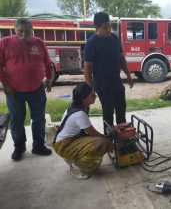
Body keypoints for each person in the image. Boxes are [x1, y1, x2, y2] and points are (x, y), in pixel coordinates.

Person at [0, 18, 53, 161]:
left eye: (27, 32)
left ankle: (38, 145)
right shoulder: (5, 42)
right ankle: (19, 147)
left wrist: (49, 79)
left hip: (37, 89)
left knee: (38, 119)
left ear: (32, 30)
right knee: (17, 121)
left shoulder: (39, 43)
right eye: (20, 32)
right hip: (14, 91)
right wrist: (5, 84)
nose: (24, 35)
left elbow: (48, 63)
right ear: (14, 30)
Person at [83, 12, 134, 133]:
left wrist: (128, 75)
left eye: (109, 26)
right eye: (105, 28)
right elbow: (87, 67)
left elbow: (121, 58)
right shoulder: (92, 43)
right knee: (108, 111)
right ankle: (109, 138)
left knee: (121, 107)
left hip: (116, 79)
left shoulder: (115, 38)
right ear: (96, 28)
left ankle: (123, 135)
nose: (108, 30)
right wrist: (89, 88)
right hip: (101, 82)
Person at [53, 83, 113, 180]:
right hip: (63, 145)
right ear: (84, 98)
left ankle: (72, 157)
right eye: (92, 95)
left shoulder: (78, 106)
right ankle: (77, 166)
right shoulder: (80, 113)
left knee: (103, 141)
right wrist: (110, 144)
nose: (95, 96)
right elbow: (93, 134)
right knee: (100, 143)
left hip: (67, 140)